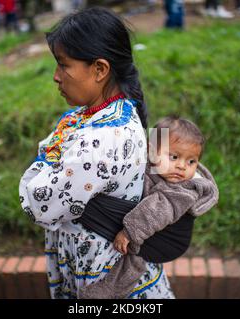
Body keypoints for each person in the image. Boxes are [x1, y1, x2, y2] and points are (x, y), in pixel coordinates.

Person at [19, 7, 176, 299]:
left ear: (100, 69)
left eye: (64, 65)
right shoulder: (92, 115)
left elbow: (39, 203)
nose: (56, 76)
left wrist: (42, 164)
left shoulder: (101, 139)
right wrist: (49, 162)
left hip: (107, 284)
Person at [78, 116, 219, 299]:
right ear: (152, 152)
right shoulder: (151, 163)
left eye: (191, 161)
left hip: (162, 239)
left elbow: (157, 209)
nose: (182, 166)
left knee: (132, 260)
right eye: (174, 157)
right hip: (144, 223)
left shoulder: (184, 190)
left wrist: (129, 232)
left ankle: (105, 293)